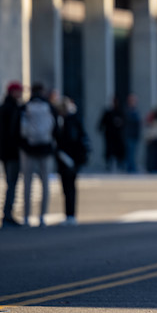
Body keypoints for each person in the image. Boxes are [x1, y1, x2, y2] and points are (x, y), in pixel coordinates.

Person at [19, 82, 58, 227]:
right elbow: (56, 128)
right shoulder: (49, 107)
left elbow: (19, 129)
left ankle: (26, 217)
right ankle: (42, 217)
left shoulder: (25, 107)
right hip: (46, 149)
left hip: (28, 150)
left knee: (27, 185)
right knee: (45, 185)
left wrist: (23, 146)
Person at [55, 96, 90, 226]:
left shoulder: (68, 122)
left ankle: (70, 215)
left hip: (68, 158)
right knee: (70, 188)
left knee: (68, 188)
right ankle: (70, 215)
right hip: (73, 159)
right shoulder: (75, 120)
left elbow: (68, 140)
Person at [0, 82, 24, 227]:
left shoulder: (1, 108)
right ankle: (7, 214)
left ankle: (7, 214)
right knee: (12, 184)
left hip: (3, 151)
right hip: (12, 152)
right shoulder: (14, 109)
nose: (21, 94)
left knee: (10, 183)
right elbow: (15, 132)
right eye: (19, 91)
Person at [97, 96, 126, 172]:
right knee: (109, 151)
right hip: (109, 136)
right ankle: (108, 165)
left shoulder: (120, 112)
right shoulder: (108, 112)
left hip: (118, 136)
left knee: (119, 151)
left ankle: (120, 165)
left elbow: (125, 123)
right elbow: (102, 123)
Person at [123, 93, 142, 173]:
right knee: (130, 152)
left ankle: (132, 167)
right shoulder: (127, 111)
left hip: (135, 135)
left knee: (133, 152)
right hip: (129, 134)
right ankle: (130, 168)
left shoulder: (135, 111)